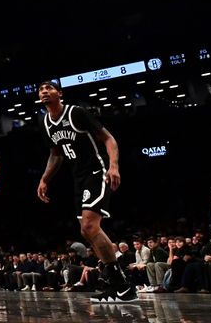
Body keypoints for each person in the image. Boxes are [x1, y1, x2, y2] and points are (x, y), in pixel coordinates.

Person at [36, 80, 136, 303]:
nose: (44, 91)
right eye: (41, 89)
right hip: (77, 178)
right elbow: (56, 154)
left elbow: (109, 138)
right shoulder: (44, 122)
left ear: (59, 93)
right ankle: (115, 284)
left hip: (95, 171)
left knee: (90, 226)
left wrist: (114, 166)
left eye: (49, 88)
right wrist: (44, 179)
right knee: (86, 231)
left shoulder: (76, 113)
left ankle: (123, 284)